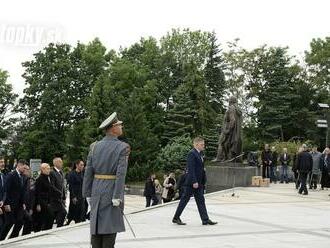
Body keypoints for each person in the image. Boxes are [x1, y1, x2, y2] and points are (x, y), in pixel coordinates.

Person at [82, 112, 130, 248]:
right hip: (111, 190)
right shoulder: (123, 147)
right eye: (120, 125)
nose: (122, 127)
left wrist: (87, 193)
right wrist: (117, 196)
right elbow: (121, 174)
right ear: (113, 128)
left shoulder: (94, 146)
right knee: (109, 230)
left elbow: (88, 172)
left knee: (96, 229)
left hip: (96, 190)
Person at [172, 137, 217, 226]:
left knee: (201, 201)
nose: (204, 146)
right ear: (196, 144)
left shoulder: (200, 154)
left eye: (203, 144)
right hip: (192, 183)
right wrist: (194, 181)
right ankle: (176, 218)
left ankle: (205, 220)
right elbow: (191, 169)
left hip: (199, 183)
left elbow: (200, 169)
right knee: (184, 200)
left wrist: (202, 181)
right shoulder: (192, 154)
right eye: (202, 144)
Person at [0, 159, 28, 240]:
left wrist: (23, 203)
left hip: (19, 204)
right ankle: (1, 239)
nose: (24, 169)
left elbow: (21, 191)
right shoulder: (11, 175)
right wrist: (6, 203)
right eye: (23, 167)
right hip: (10, 204)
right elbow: (6, 190)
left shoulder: (22, 176)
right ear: (19, 165)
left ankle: (13, 239)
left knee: (20, 221)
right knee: (9, 222)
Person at [215, 96, 242, 161]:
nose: (228, 102)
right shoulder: (238, 109)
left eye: (229, 101)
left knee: (221, 143)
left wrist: (227, 130)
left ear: (230, 101)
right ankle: (227, 158)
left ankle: (219, 158)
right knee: (227, 144)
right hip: (236, 133)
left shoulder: (231, 108)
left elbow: (232, 120)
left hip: (228, 130)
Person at [35, 163, 60, 231]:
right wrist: (38, 204)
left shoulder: (47, 178)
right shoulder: (39, 179)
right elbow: (37, 193)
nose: (49, 170)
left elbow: (51, 188)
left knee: (48, 217)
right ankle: (44, 230)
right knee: (50, 215)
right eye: (48, 169)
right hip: (42, 201)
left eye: (49, 168)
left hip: (48, 200)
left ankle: (46, 230)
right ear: (43, 169)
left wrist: (59, 193)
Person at [49, 157, 67, 228]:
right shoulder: (52, 173)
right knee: (62, 212)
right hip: (54, 198)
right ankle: (58, 227)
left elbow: (63, 186)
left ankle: (59, 226)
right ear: (55, 163)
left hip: (60, 198)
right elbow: (52, 186)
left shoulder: (61, 172)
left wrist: (64, 197)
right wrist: (59, 193)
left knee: (61, 213)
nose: (62, 163)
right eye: (60, 162)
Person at [66, 159, 86, 224]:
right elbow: (70, 186)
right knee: (74, 212)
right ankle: (69, 222)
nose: (83, 166)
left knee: (81, 211)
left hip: (82, 195)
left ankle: (79, 222)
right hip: (75, 196)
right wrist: (73, 196)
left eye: (83, 165)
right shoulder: (72, 174)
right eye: (81, 165)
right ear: (77, 165)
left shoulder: (82, 173)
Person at [0, 157, 7, 237]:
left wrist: (3, 200)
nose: (3, 164)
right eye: (1, 162)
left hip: (2, 204)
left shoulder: (2, 175)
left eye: (3, 162)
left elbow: (5, 190)